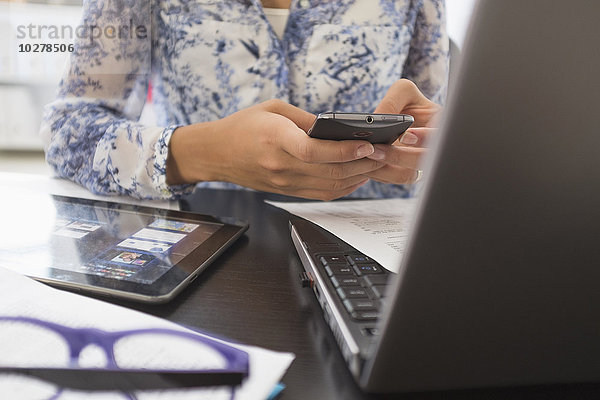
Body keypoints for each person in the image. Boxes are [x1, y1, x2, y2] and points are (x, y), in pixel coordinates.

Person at [40, 0, 448, 201]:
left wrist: (436, 147)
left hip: (366, 260)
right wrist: (201, 154)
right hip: (198, 248)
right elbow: (67, 131)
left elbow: (442, 128)